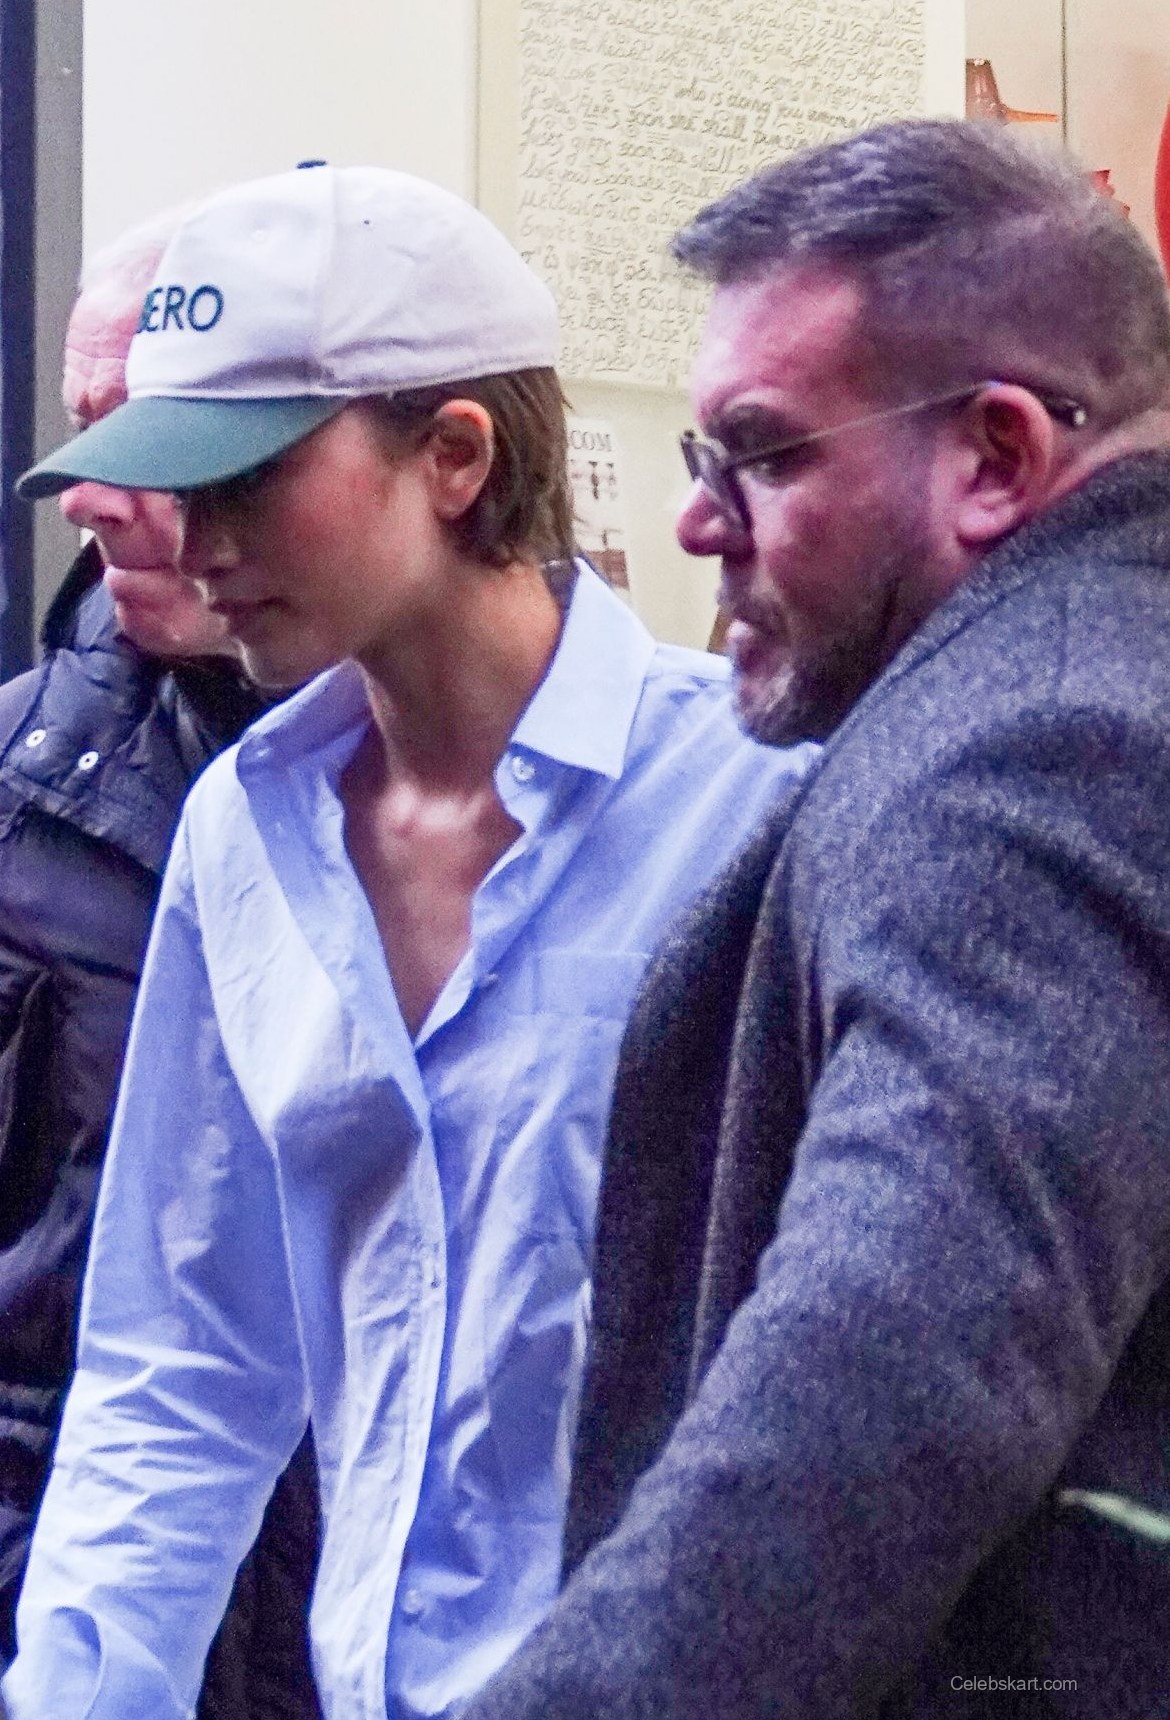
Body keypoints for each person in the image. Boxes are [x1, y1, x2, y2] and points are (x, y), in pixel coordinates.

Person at [1, 164, 809, 1720]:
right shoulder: (247, 829)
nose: (193, 535)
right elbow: (181, 1364)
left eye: (245, 475)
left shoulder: (756, 802)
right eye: (175, 477)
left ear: (453, 454)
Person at [448, 119, 1170, 1719]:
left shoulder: (1027, 755)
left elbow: (895, 1366)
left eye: (762, 456)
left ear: (994, 458)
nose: (699, 526)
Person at [0, 219, 322, 1717]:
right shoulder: (15, 789)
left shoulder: (551, 798)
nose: (97, 497)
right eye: (88, 430)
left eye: (162, 435)